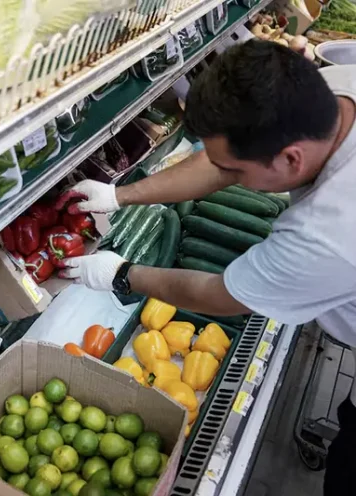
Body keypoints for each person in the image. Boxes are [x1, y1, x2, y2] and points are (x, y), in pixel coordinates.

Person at [60, 40, 356, 493]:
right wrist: (120, 194)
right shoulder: (333, 91)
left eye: (238, 173)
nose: (228, 178)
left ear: (291, 158)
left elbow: (223, 296)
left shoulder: (328, 232)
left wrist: (121, 274)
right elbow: (220, 162)